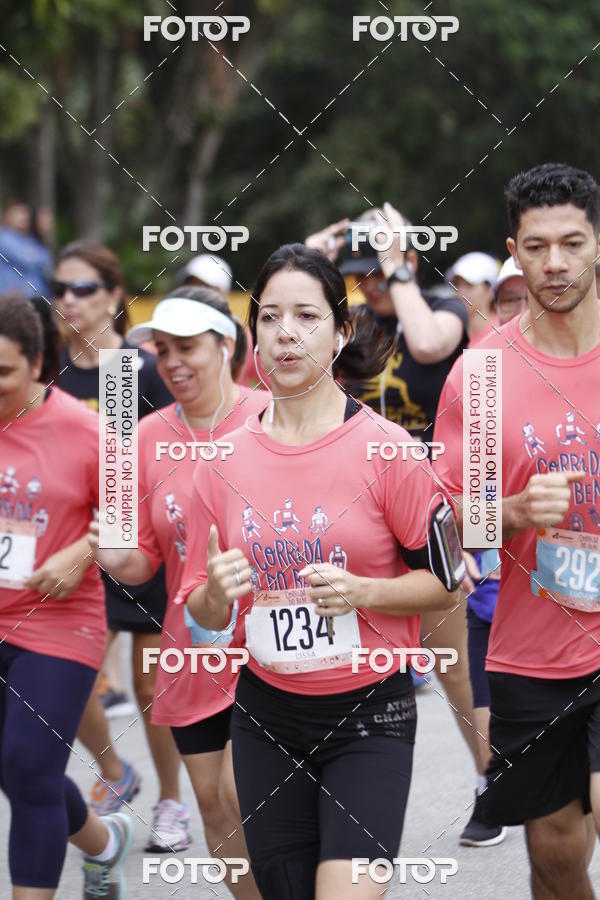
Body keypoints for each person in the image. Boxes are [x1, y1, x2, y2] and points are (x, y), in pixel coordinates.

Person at [177, 243, 462, 899]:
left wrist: (365, 592)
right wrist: (216, 598)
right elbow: (199, 607)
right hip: (266, 718)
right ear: (252, 339)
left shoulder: (389, 451)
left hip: (370, 718)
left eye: (306, 316)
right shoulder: (218, 462)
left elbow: (444, 581)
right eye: (270, 317)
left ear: (341, 330)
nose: (285, 333)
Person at [306, 206, 502, 846]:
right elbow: (281, 353)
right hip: (357, 506)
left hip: (428, 504)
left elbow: (427, 347)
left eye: (379, 275)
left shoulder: (441, 305)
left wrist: (401, 270)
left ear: (407, 264)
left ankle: (490, 784)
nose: (370, 288)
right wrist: (315, 255)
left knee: (452, 662)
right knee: (344, 649)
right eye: (359, 278)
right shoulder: (352, 325)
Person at [434, 162, 600, 899]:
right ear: (515, 249)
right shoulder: (486, 372)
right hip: (533, 649)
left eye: (572, 242)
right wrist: (508, 511)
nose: (555, 263)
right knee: (556, 855)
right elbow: (441, 526)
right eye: (537, 247)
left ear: (598, 244)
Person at [88, 285, 267, 899]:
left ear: (226, 345)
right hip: (192, 648)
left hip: (272, 647)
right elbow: (144, 561)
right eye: (162, 350)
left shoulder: (272, 415)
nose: (173, 363)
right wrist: (114, 557)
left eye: (188, 347)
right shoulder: (139, 437)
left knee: (251, 796)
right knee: (215, 807)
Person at [52, 240, 186, 851]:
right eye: (60, 289)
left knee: (154, 688)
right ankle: (113, 770)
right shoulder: (47, 370)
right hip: (71, 553)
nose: (68, 301)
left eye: (83, 288)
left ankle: (171, 803)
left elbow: (182, 452)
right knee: (63, 681)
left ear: (113, 294)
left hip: (145, 548)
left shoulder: (140, 369)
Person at [0, 293, 132, 898]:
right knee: (20, 772)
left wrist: (79, 553)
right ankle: (105, 844)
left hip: (58, 622)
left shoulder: (88, 431)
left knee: (28, 766)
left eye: (2, 372)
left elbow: (127, 524)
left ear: (37, 363)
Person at [0, 202, 53, 299]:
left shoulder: (29, 239)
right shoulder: (4, 236)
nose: (23, 217)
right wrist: (36, 256)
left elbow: (45, 262)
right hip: (14, 296)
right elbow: (27, 259)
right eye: (17, 213)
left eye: (25, 213)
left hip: (36, 296)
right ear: (7, 216)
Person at [446, 251, 499, 345]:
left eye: (469, 285)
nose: (460, 293)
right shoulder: (451, 333)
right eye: (457, 284)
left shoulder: (505, 331)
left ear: (490, 290)